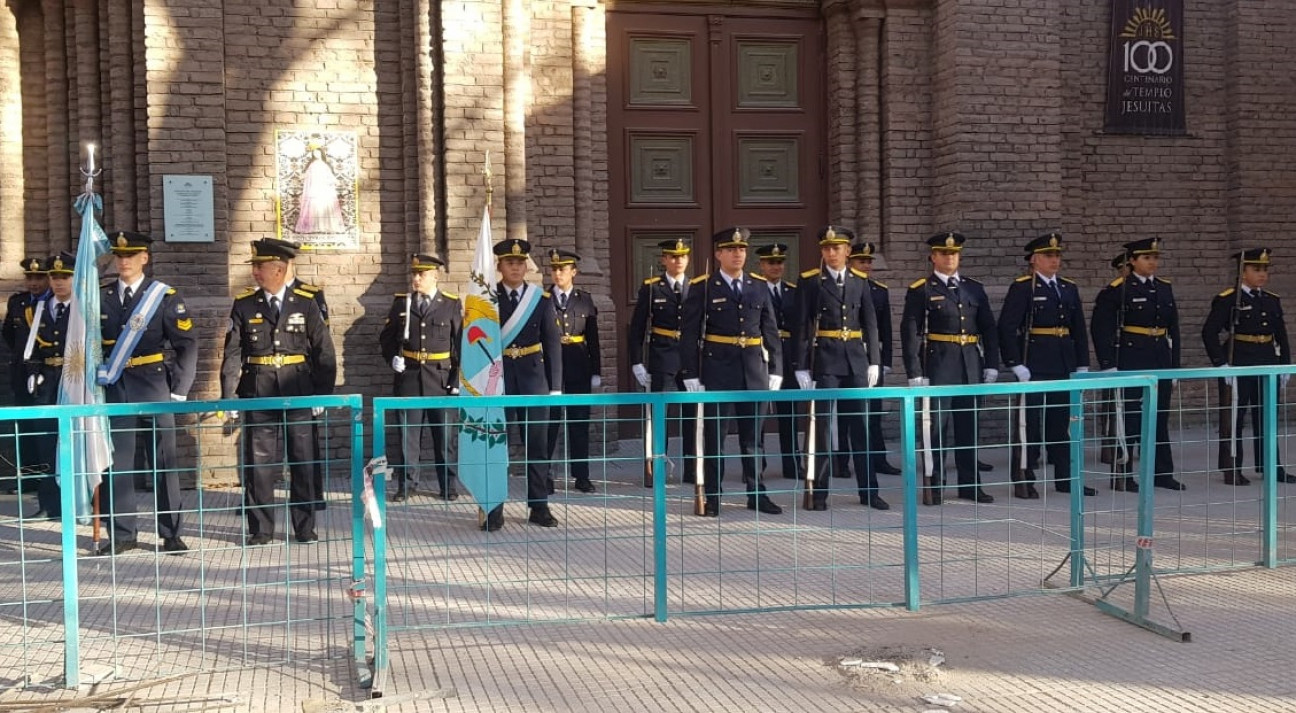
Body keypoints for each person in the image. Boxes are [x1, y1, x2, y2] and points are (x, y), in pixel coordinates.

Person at [220, 238, 336, 546]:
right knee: (259, 464)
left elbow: (324, 352)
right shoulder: (244, 304)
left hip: (298, 390)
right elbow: (233, 352)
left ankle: (305, 527)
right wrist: (228, 395)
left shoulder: (306, 303)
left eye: (260, 267)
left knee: (303, 460)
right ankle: (261, 529)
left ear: (279, 269)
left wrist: (322, 395)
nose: (255, 272)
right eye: (255, 266)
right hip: (258, 391)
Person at [97, 231, 197, 555]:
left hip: (155, 386)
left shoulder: (164, 297)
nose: (124, 261)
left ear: (145, 258)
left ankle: (171, 533)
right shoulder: (102, 296)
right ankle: (124, 534)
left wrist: (179, 392)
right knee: (119, 463)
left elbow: (186, 346)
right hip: (117, 387)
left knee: (164, 461)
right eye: (119, 255)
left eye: (132, 255)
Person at [679, 227, 783, 517]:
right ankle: (713, 495)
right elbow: (689, 333)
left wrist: (776, 368)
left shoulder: (758, 285)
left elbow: (770, 329)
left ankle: (757, 492)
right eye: (731, 250)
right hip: (717, 369)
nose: (738, 254)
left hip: (753, 369)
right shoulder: (703, 286)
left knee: (754, 439)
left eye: (742, 250)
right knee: (715, 437)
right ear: (719, 254)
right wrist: (690, 372)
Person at [900, 232, 999, 505]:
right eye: (943, 253)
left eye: (954, 253)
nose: (949, 257)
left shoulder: (974, 288)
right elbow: (910, 332)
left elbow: (989, 328)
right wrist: (915, 372)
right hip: (939, 365)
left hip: (970, 365)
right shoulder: (922, 289)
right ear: (933, 257)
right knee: (935, 431)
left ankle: (970, 486)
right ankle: (934, 486)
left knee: (970, 429)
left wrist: (991, 364)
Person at [794, 227, 887, 510]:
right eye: (827, 248)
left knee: (862, 427)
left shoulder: (859, 281)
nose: (832, 253)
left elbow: (870, 322)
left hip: (856, 360)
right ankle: (818, 493)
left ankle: (869, 491)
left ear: (848, 251)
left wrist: (874, 361)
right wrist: (801, 366)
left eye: (837, 248)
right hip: (826, 360)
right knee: (821, 429)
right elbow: (801, 326)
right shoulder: (811, 282)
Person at [997, 233, 1095, 499]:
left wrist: (1082, 363)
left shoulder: (1067, 287)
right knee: (1028, 425)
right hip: (1034, 363)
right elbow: (1007, 327)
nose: (1055, 260)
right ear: (1034, 260)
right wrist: (1015, 363)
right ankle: (1024, 479)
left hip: (1063, 361)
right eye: (1048, 256)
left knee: (1061, 424)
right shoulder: (1023, 288)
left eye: (1057, 255)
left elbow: (1078, 329)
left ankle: (1066, 479)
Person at [1090, 237, 1184, 492]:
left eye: (1155, 258)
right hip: (1131, 357)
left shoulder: (1164, 288)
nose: (1152, 262)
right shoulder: (1118, 289)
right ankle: (1123, 474)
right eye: (1146, 258)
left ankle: (1162, 473)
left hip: (1160, 357)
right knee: (1129, 419)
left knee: (1159, 417)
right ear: (1132, 261)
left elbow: (1173, 329)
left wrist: (1174, 367)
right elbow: (1100, 328)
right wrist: (1108, 364)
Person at [486, 237, 563, 531]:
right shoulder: (488, 299)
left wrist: (555, 386)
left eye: (520, 263)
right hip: (499, 380)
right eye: (510, 263)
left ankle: (539, 505)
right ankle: (494, 507)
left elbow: (552, 344)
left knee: (537, 446)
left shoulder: (539, 299)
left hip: (534, 379)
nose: (515, 268)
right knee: (495, 445)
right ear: (499, 266)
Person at [1201, 248, 1293, 485]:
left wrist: (1284, 365)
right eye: (1256, 269)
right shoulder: (1229, 299)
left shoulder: (1271, 299)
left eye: (1265, 269)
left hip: (1266, 361)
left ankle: (1271, 465)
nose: (1262, 274)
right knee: (1234, 417)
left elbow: (1281, 335)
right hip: (1239, 362)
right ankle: (1231, 467)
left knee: (1267, 416)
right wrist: (1221, 364)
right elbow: (1209, 332)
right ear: (1243, 272)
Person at [379, 254, 462, 501]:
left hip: (441, 378)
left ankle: (448, 486)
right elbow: (386, 338)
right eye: (414, 274)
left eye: (422, 274)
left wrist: (456, 381)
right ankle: (407, 485)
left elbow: (460, 345)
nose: (416, 278)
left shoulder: (451, 303)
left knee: (446, 438)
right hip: (410, 378)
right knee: (408, 437)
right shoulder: (401, 304)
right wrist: (393, 357)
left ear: (435, 275)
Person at [627, 238, 695, 486]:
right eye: (673, 256)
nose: (678, 261)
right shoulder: (652, 288)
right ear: (664, 260)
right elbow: (637, 328)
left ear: (687, 259)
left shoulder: (697, 287)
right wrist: (636, 361)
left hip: (690, 359)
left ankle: (693, 470)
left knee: (692, 415)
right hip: (662, 356)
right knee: (659, 416)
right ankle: (655, 469)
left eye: (682, 256)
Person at [544, 249, 601, 494]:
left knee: (579, 422)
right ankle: (546, 475)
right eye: (555, 269)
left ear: (573, 272)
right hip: (551, 368)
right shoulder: (543, 299)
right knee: (549, 423)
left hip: (579, 364)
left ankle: (581, 475)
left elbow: (593, 338)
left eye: (563, 269)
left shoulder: (584, 299)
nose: (558, 274)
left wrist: (596, 370)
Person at [848, 241, 901, 477]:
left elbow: (885, 330)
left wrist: (884, 360)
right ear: (850, 262)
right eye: (862, 261)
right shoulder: (846, 285)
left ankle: (878, 459)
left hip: (872, 356)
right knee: (848, 414)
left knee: (874, 411)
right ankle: (841, 462)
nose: (867, 265)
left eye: (869, 261)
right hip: (849, 353)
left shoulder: (879, 289)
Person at [22, 255, 66, 518]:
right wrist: (34, 372)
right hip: (48, 382)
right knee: (47, 442)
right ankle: (50, 504)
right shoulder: (37, 310)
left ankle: (82, 503)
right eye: (55, 277)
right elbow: (31, 350)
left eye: (64, 277)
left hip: (74, 379)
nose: (58, 283)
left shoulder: (82, 308)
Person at [754, 243, 802, 480]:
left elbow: (803, 325)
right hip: (762, 353)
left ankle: (792, 463)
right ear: (761, 265)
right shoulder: (754, 289)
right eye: (771, 263)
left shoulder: (793, 291)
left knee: (789, 412)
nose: (776, 267)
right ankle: (756, 465)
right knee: (759, 413)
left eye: (780, 262)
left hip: (789, 354)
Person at [3, 257, 50, 492]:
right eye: (29, 278)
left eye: (39, 277)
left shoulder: (55, 303)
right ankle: (30, 479)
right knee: (26, 427)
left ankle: (49, 480)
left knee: (46, 428)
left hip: (48, 373)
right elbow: (10, 337)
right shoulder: (18, 303)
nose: (33, 283)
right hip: (22, 375)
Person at [294, 147, 346, 234]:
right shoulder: (312, 165)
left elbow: (329, 175)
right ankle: (315, 226)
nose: (316, 154)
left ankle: (325, 226)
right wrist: (301, 176)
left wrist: (335, 181)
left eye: (317, 153)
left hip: (324, 187)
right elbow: (307, 174)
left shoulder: (325, 165)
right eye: (314, 153)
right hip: (315, 187)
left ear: (321, 153)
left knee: (324, 206)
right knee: (315, 206)